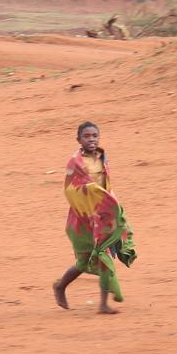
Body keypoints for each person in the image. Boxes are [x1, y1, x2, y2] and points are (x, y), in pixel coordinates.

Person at [53, 121, 136, 314]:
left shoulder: (102, 158)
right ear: (78, 140)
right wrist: (90, 193)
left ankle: (103, 303)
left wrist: (112, 206)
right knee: (84, 261)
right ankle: (60, 286)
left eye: (95, 136)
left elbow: (106, 186)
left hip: (102, 216)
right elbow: (70, 189)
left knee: (104, 255)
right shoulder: (75, 162)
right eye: (87, 136)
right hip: (83, 218)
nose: (91, 139)